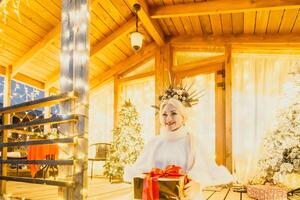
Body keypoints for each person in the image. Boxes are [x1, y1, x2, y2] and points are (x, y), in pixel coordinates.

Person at [124, 86, 234, 199]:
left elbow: (207, 171)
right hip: (156, 196)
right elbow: (139, 170)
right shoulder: (154, 142)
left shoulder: (193, 142)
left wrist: (198, 184)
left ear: (183, 116)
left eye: (173, 113)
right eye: (164, 114)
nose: (168, 119)